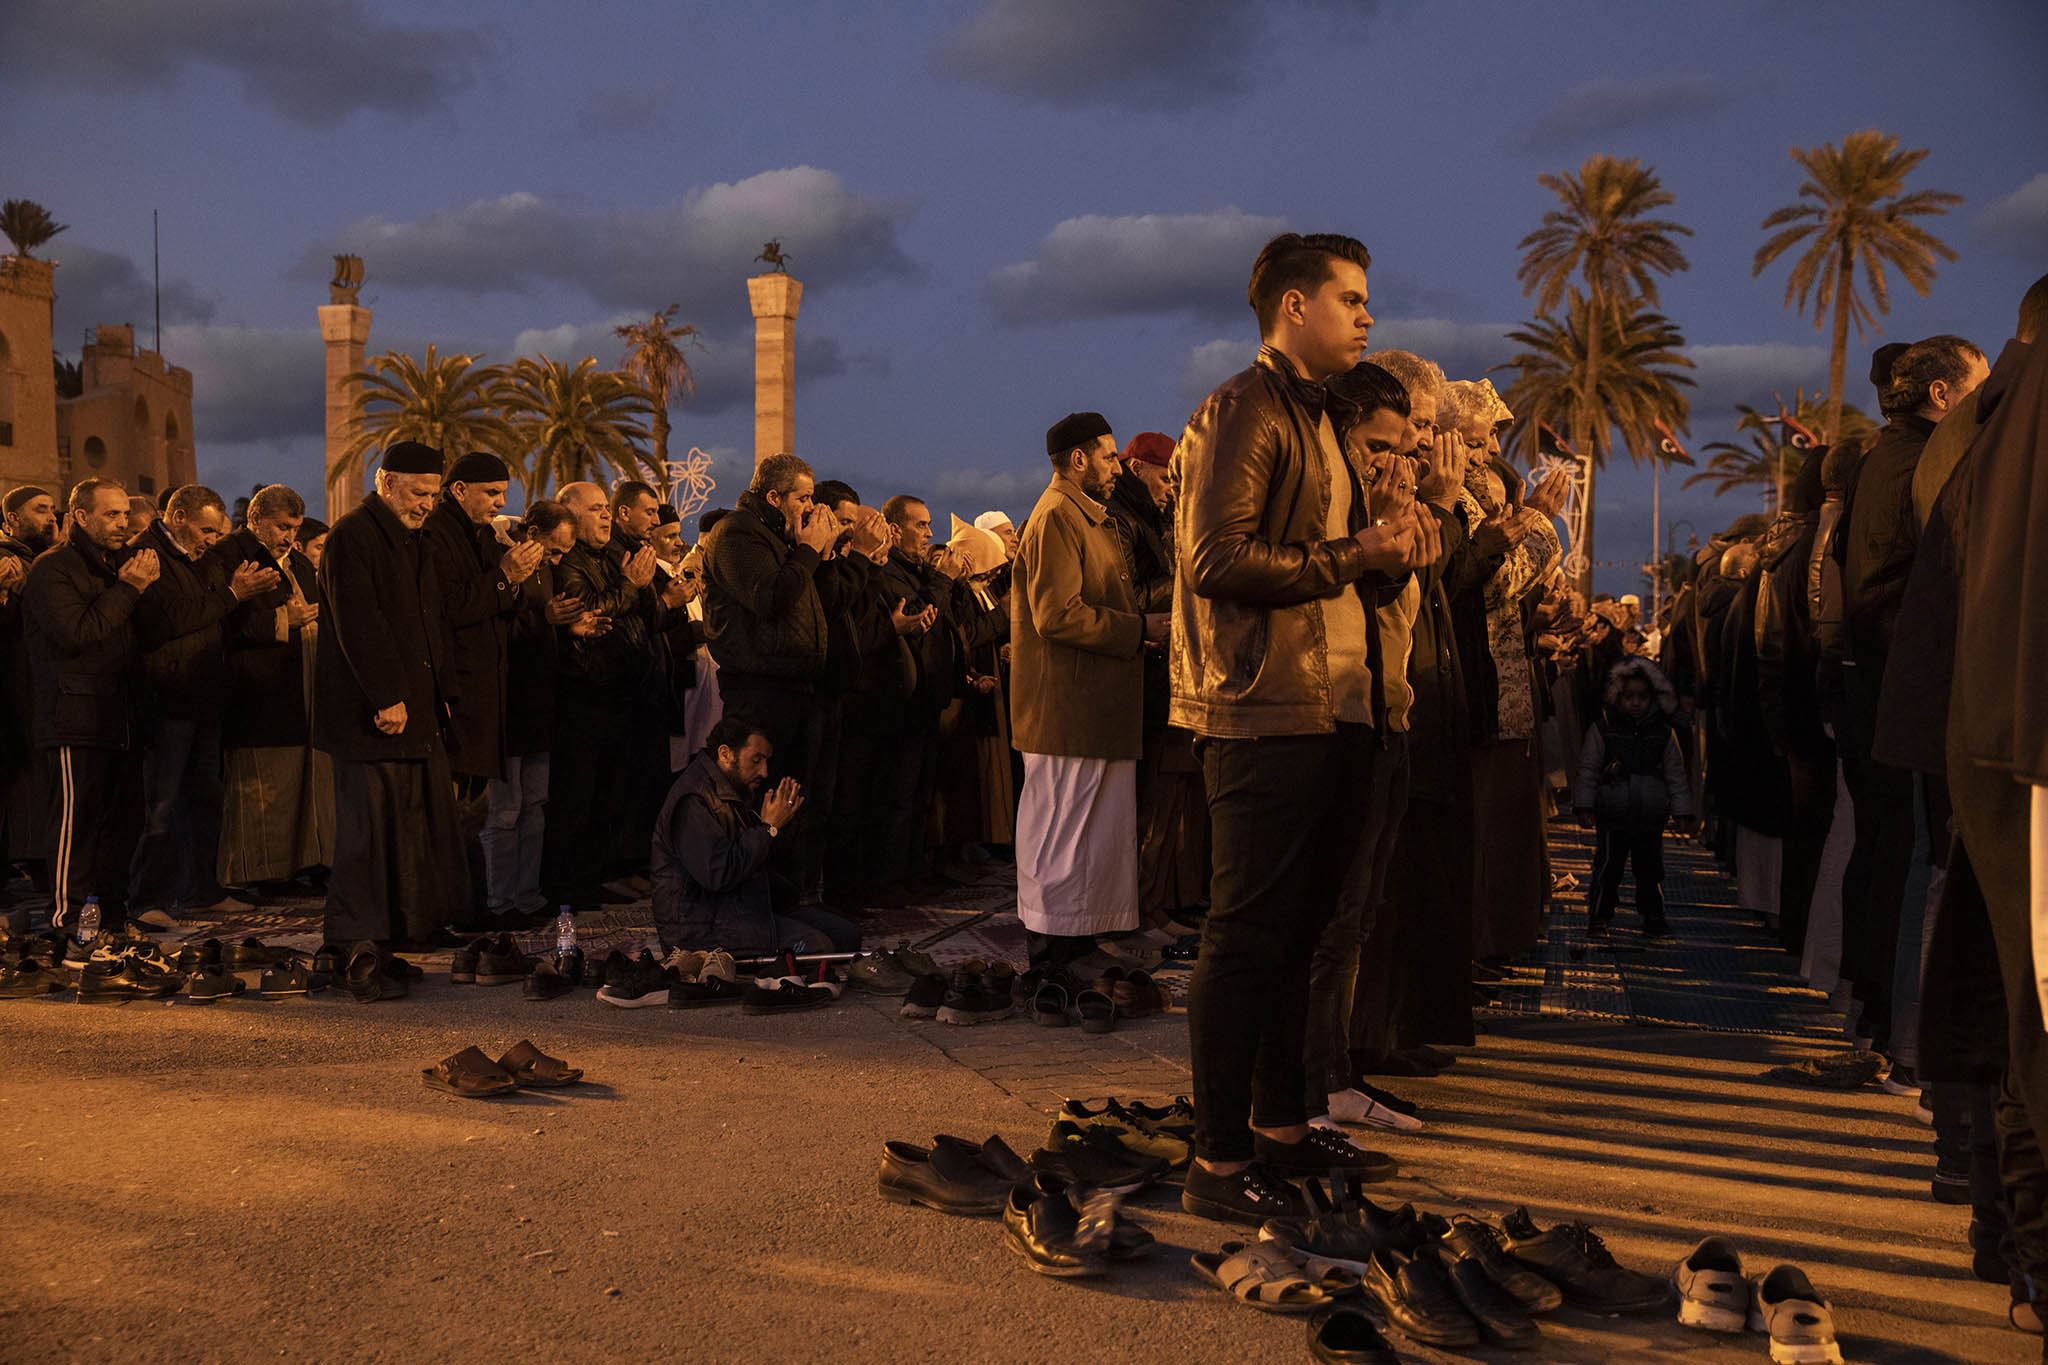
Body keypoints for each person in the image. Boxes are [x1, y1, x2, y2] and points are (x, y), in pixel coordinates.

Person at [1172, 232, 1440, 1223]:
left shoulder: (1319, 418)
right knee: (1244, 938)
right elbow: (1214, 557)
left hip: (1337, 708)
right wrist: (1352, 551)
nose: (1366, 314)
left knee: (1295, 938)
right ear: (1293, 307)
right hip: (1259, 708)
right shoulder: (1241, 407)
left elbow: (1350, 555)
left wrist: (1395, 541)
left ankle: (1278, 1137)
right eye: (1350, 298)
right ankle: (1214, 1163)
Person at [1838, 333, 1988, 1070]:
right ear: (1942, 393)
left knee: (1895, 853)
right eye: (1980, 389)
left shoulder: (1883, 458)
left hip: (1884, 683)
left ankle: (1882, 1023)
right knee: (1916, 860)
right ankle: (1906, 1040)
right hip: (1909, 683)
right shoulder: (1924, 462)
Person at [1297, 361, 1432, 1127]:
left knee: (1359, 914)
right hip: (1333, 715)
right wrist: (1374, 536)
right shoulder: (1326, 498)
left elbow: (1400, 593)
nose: (1398, 462)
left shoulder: (1373, 498)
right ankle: (1311, 1085)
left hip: (1387, 713)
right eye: (1383, 445)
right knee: (1330, 918)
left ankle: (1334, 1074)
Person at [1010, 412, 1160, 972]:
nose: (1116, 466)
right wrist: (1139, 628)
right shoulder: (1056, 518)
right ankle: (1053, 956)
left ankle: (1082, 942)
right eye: (1108, 455)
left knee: (1092, 839)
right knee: (1061, 838)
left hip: (1093, 708)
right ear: (1078, 459)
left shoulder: (1084, 516)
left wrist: (1140, 624)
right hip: (1065, 711)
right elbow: (1057, 616)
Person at [313, 442, 468, 958]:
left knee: (415, 824)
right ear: (385, 482)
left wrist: (440, 695)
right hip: (372, 717)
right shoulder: (351, 536)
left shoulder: (415, 539)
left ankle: (415, 925)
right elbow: (360, 623)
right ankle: (360, 933)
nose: (426, 504)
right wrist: (388, 697)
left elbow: (429, 625)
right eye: (418, 492)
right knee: (369, 831)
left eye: (433, 495)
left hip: (416, 711)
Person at [128, 484, 279, 925]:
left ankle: (201, 891)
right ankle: (146, 900)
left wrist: (244, 594)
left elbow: (222, 613)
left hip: (205, 698)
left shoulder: (207, 559)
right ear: (177, 518)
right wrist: (232, 595)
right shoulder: (146, 556)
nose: (212, 540)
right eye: (205, 530)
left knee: (204, 799)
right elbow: (165, 620)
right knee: (160, 804)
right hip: (166, 700)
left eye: (217, 532)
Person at [21, 477, 160, 931]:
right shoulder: (52, 569)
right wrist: (128, 590)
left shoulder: (120, 565)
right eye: (111, 514)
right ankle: (65, 921)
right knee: (74, 825)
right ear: (81, 516)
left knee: (121, 825)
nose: (123, 523)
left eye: (125, 514)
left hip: (120, 715)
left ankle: (112, 918)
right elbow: (77, 633)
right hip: (73, 715)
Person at [700, 454, 839, 906]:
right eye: (802, 498)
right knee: (766, 799)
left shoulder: (782, 538)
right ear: (774, 497)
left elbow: (817, 602)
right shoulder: (738, 534)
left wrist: (827, 555)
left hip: (797, 688)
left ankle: (795, 897)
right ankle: (764, 902)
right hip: (759, 692)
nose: (810, 507)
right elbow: (771, 599)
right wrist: (808, 551)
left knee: (801, 801)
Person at [422, 452, 544, 921]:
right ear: (458, 490)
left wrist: (513, 578)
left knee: (473, 809)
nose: (500, 503)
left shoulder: (480, 535)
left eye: (502, 494)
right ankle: (449, 909)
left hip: (485, 693)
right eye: (491, 493)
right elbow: (449, 608)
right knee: (455, 811)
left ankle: (471, 906)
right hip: (458, 692)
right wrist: (505, 578)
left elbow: (503, 601)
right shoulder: (437, 536)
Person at [543, 481, 665, 912]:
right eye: (596, 509)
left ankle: (592, 878)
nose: (606, 516)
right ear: (570, 514)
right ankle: (568, 887)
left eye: (605, 509)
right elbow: (591, 613)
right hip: (584, 696)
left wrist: (641, 586)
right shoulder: (569, 563)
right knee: (578, 799)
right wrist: (631, 586)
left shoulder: (609, 556)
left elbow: (642, 613)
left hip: (619, 694)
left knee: (607, 797)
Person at [651, 716, 856, 955]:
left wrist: (785, 824)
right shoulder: (693, 799)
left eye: (766, 761)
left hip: (742, 907)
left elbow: (765, 863)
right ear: (726, 754)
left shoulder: (737, 788)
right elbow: (718, 874)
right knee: (817, 947)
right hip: (701, 926)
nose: (764, 771)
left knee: (846, 935)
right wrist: (768, 828)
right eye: (756, 760)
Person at [215, 484, 331, 891]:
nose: (289, 536)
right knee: (261, 788)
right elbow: (222, 618)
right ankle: (258, 874)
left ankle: (300, 865)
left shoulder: (297, 562)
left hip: (299, 688)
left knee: (297, 780)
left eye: (294, 528)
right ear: (255, 520)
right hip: (257, 691)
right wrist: (285, 620)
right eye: (282, 526)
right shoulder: (230, 556)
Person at [1575, 656, 1692, 937]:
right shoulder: (1604, 730)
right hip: (1613, 812)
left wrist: (1682, 811)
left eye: (1642, 697)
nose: (1636, 703)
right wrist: (1584, 805)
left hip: (1650, 815)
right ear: (1618, 697)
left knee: (1650, 870)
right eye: (1629, 697)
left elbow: (1676, 774)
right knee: (1607, 869)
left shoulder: (1663, 734)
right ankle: (1600, 915)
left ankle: (1653, 915)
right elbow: (1589, 769)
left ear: (1653, 697)